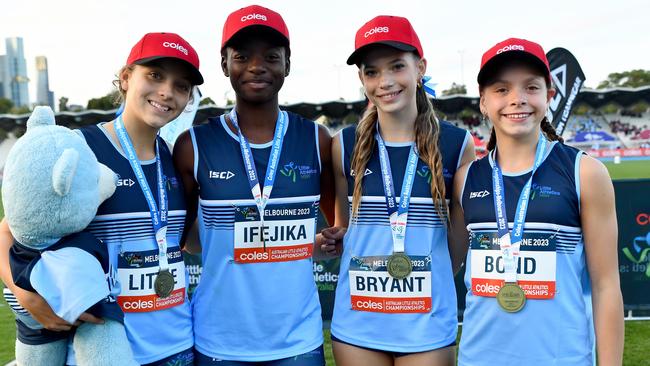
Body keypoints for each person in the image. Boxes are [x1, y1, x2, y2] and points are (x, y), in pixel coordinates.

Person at [0, 31, 204, 365]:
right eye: (154, 75)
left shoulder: (175, 156)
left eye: (181, 86)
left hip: (178, 347)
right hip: (102, 352)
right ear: (125, 78)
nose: (167, 92)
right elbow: (9, 230)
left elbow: (187, 243)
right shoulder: (79, 147)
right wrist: (26, 294)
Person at [172, 5, 334, 366]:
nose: (257, 66)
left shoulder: (316, 139)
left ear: (287, 65)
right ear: (224, 64)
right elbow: (178, 236)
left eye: (271, 57)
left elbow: (340, 228)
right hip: (218, 342)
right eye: (242, 56)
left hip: (298, 342)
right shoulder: (193, 146)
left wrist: (325, 241)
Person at [451, 38, 624, 365]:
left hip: (562, 358)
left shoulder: (585, 173)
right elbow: (447, 263)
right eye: (501, 90)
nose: (517, 99)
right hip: (480, 358)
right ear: (483, 102)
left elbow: (606, 285)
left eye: (530, 87)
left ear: (549, 95)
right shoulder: (465, 179)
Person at [323, 15, 475, 366]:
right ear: (361, 79)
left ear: (420, 68)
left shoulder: (456, 143)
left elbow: (455, 246)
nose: (385, 82)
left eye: (397, 66)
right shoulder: (343, 145)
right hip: (359, 319)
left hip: (426, 322)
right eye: (372, 72)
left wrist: (423, 277)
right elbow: (347, 229)